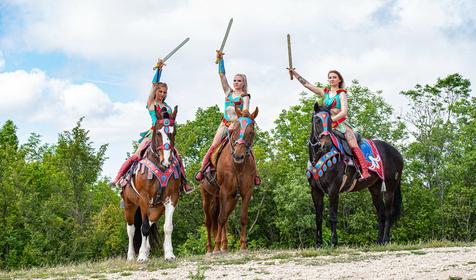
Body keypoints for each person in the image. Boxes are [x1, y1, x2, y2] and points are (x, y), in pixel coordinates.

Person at [111, 59, 193, 193]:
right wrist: (159, 70)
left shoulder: (168, 107)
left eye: (165, 92)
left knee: (177, 156)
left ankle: (184, 183)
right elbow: (154, 84)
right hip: (152, 134)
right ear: (156, 92)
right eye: (160, 91)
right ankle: (119, 177)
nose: (162, 94)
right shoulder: (151, 103)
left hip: (165, 136)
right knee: (137, 155)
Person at [288, 68, 370, 180]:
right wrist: (295, 73)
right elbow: (307, 85)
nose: (332, 79)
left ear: (339, 80)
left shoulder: (341, 94)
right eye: (330, 77)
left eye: (334, 77)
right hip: (326, 124)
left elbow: (344, 112)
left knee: (352, 143)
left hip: (341, 123)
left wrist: (333, 120)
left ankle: (365, 171)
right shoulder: (324, 92)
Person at [195, 51, 260, 185]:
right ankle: (202, 170)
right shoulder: (228, 92)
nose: (236, 83)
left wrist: (239, 119)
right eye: (235, 80)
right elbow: (222, 75)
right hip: (224, 124)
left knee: (245, 146)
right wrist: (220, 60)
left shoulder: (245, 96)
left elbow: (246, 110)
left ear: (243, 83)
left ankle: (255, 175)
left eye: (239, 81)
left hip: (238, 124)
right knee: (213, 146)